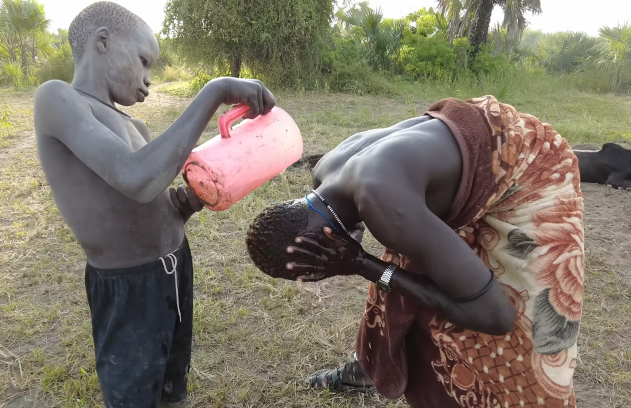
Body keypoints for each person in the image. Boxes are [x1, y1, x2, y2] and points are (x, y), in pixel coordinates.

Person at [246, 95, 585, 407]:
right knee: (401, 277)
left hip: (528, 166)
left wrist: (363, 264)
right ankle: (367, 368)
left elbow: (495, 316)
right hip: (475, 133)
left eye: (311, 270)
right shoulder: (327, 172)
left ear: (316, 244)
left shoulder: (383, 202)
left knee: (536, 329)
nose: (318, 276)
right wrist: (370, 263)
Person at [33, 2, 276, 407]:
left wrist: (183, 206)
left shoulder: (136, 126)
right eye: (144, 62)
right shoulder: (58, 98)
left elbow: (151, 191)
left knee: (170, 381)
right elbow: (135, 177)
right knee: (134, 395)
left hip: (175, 266)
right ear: (103, 41)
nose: (147, 81)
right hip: (127, 283)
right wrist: (216, 91)